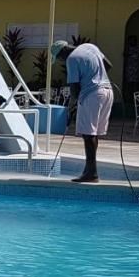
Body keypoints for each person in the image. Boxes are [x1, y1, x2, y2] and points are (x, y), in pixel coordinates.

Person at [52, 39, 114, 183]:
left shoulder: (72, 59)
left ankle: (91, 173)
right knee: (93, 133)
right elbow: (108, 66)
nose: (61, 62)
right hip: (108, 91)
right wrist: (96, 75)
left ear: (62, 53)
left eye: (60, 59)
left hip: (92, 94)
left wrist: (71, 106)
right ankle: (90, 170)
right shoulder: (90, 47)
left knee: (87, 134)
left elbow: (74, 87)